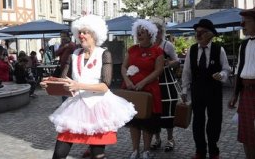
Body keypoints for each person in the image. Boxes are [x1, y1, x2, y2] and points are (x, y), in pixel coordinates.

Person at [41, 15, 137, 159]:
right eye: (80, 32)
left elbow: (105, 86)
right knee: (59, 153)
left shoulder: (104, 54)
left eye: (85, 32)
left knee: (97, 154)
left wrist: (78, 85)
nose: (81, 35)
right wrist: (49, 84)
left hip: (98, 107)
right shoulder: (74, 55)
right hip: (75, 108)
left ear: (94, 34)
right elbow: (64, 80)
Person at [181, 19, 230, 159]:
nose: (198, 35)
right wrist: (184, 91)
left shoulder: (218, 49)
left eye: (201, 32)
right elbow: (186, 72)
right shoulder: (192, 49)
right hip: (197, 90)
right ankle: (200, 151)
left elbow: (226, 69)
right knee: (198, 122)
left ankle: (214, 150)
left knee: (214, 120)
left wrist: (221, 75)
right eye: (197, 32)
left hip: (214, 91)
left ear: (210, 34)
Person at [228, 8, 255, 159]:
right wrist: (235, 94)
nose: (243, 25)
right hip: (246, 94)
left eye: (246, 22)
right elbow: (239, 70)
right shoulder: (244, 45)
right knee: (247, 137)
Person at [121, 19, 164, 159]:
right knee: (134, 122)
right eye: (138, 32)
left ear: (150, 34)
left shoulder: (157, 51)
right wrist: (127, 81)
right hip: (132, 89)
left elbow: (158, 71)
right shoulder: (132, 49)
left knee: (147, 122)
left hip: (149, 90)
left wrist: (143, 83)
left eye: (142, 32)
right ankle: (135, 150)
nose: (139, 34)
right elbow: (123, 67)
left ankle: (146, 150)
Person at [150, 18, 180, 152]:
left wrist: (168, 63)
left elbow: (177, 61)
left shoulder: (167, 45)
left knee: (169, 110)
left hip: (166, 81)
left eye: (159, 31)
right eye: (155, 32)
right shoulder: (148, 45)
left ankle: (170, 138)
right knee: (154, 112)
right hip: (152, 81)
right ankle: (157, 138)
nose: (157, 34)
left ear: (162, 32)